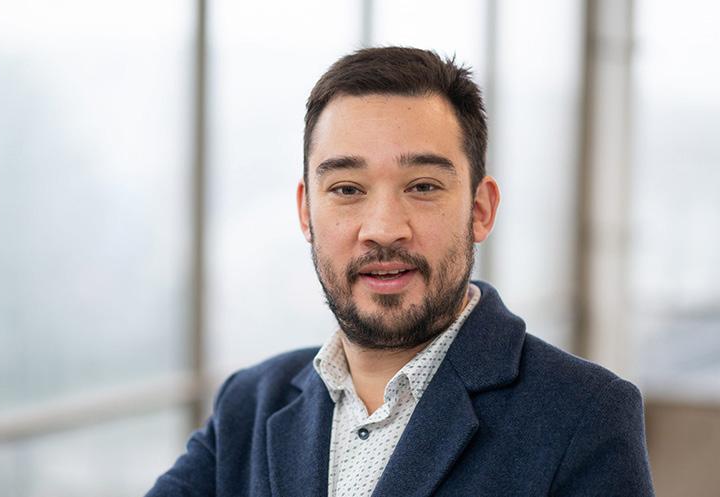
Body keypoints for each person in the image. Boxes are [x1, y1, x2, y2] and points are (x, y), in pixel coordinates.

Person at [146, 47, 655, 497]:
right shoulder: (249, 404)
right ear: (306, 213)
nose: (384, 229)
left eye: (423, 187)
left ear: (480, 209)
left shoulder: (584, 414)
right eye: (347, 189)